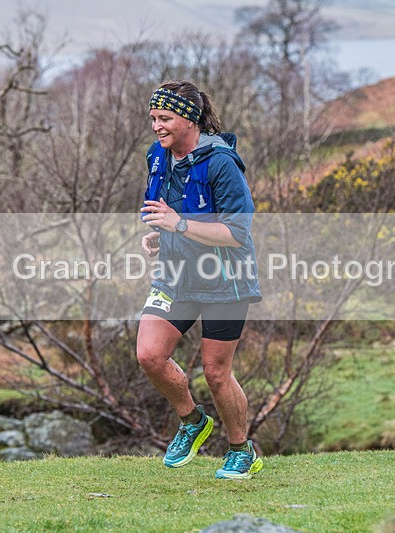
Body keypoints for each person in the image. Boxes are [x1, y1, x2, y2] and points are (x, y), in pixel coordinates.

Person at [137, 80, 263, 478]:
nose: (157, 126)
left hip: (225, 280)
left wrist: (180, 224)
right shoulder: (157, 158)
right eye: (154, 118)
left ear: (189, 118)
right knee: (150, 355)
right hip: (176, 276)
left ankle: (242, 450)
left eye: (165, 118)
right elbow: (172, 218)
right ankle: (192, 421)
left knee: (215, 373)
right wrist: (160, 236)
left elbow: (236, 232)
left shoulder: (221, 163)